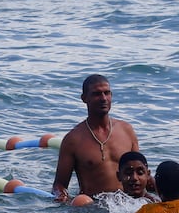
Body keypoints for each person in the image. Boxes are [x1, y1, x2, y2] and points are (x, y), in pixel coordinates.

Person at [52, 74, 140, 203]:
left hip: (127, 204)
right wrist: (62, 196)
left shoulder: (126, 130)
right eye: (97, 94)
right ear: (84, 98)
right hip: (93, 207)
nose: (103, 98)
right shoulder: (73, 140)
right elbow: (59, 185)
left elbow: (140, 173)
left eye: (107, 93)